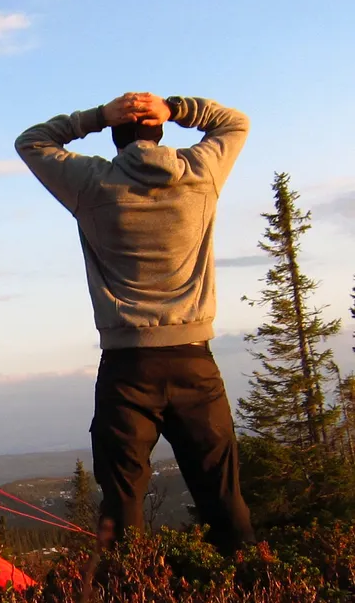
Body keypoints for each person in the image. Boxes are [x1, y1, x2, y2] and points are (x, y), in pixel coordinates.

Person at [13, 92, 256, 556]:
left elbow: (33, 141)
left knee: (123, 504)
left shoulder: (92, 183)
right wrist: (176, 106)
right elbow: (234, 122)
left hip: (127, 370)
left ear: (114, 135)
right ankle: (256, 596)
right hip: (194, 365)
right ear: (160, 129)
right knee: (223, 499)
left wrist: (95, 116)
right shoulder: (201, 173)